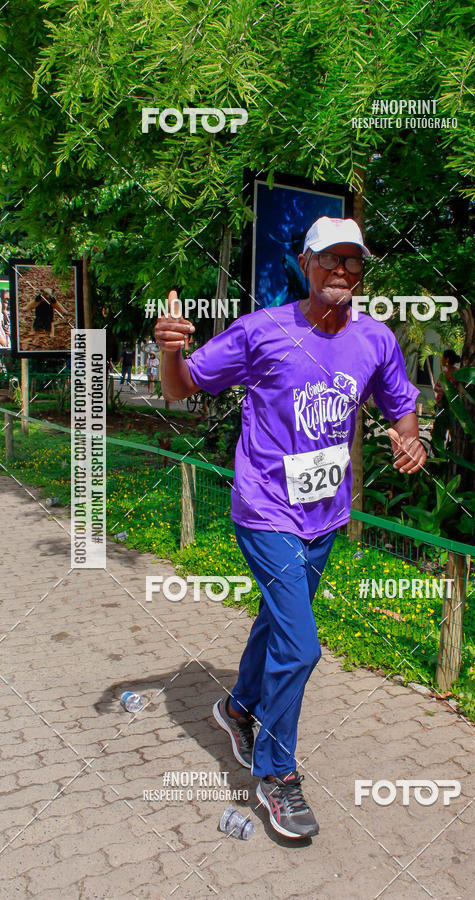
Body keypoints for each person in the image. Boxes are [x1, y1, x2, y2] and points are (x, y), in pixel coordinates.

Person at [154, 216, 426, 839]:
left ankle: (237, 708)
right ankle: (277, 774)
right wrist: (170, 351)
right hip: (265, 509)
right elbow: (179, 387)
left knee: (278, 622)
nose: (341, 270)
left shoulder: (376, 339)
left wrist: (409, 440)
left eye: (353, 261)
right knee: (301, 646)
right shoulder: (263, 331)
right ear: (305, 264)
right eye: (329, 258)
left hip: (325, 515)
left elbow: (402, 405)